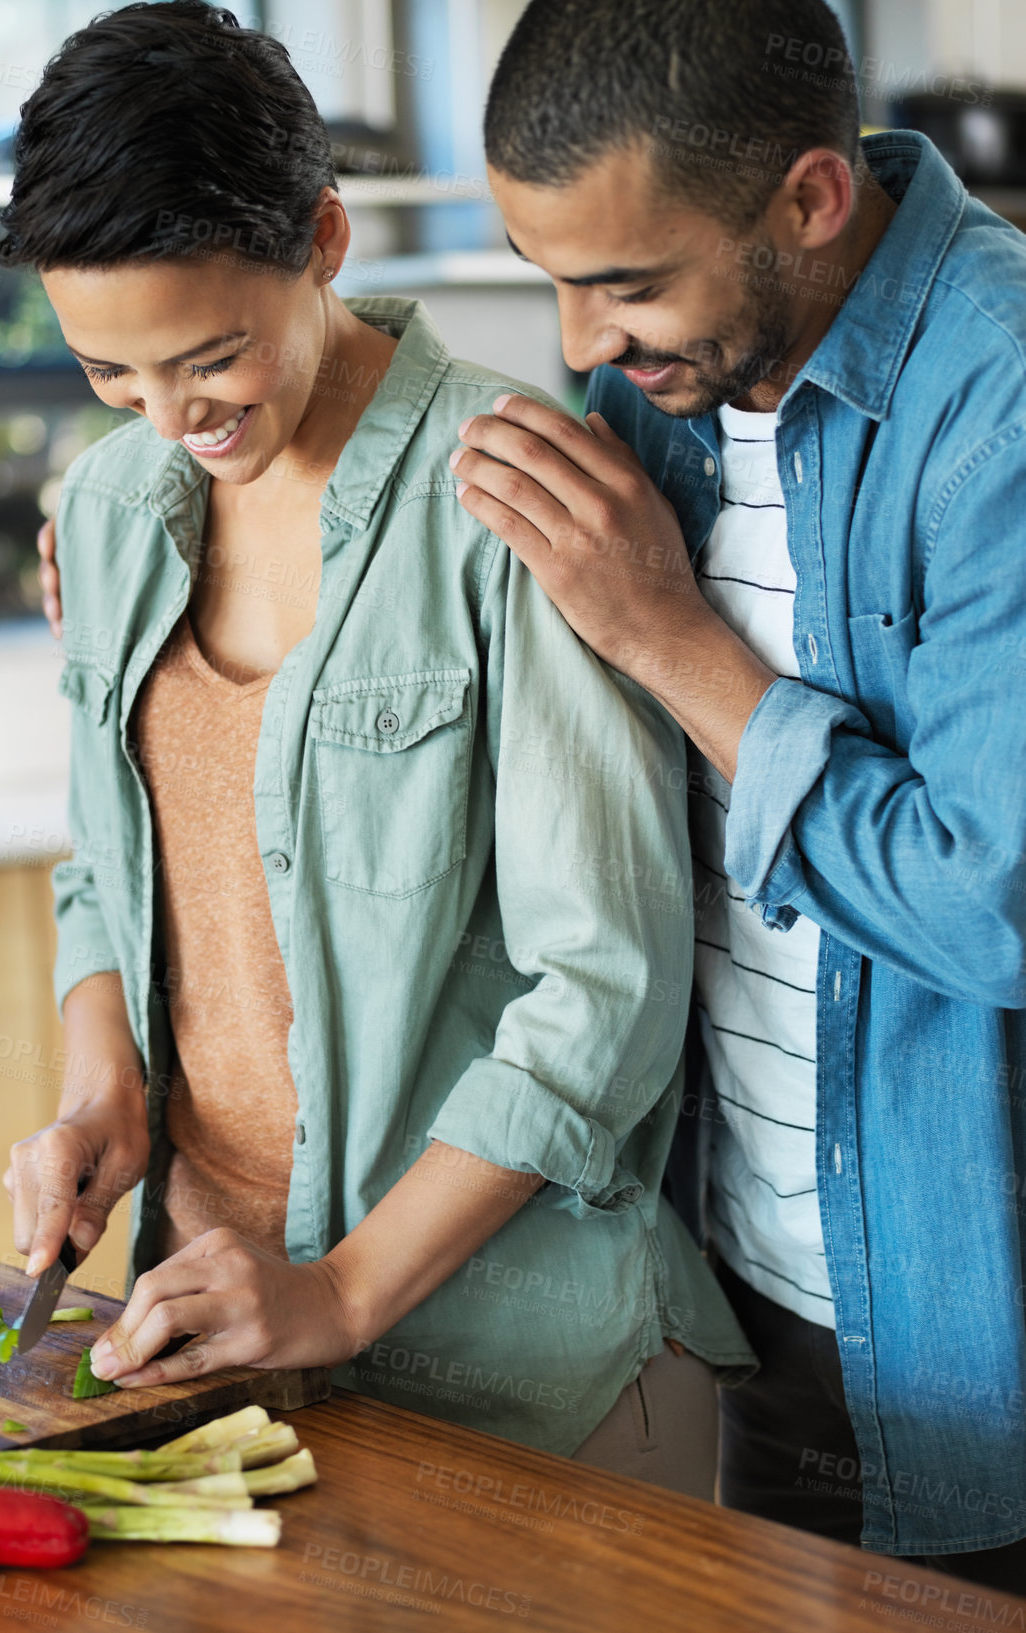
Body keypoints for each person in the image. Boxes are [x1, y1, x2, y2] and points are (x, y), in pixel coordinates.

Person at [2, 0, 753, 1493]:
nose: (167, 418)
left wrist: (342, 1288)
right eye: (111, 376)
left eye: (209, 357)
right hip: (214, 1338)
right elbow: (110, 869)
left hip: (529, 1367)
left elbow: (603, 990)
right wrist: (106, 1094)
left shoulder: (512, 488)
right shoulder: (103, 510)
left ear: (325, 239)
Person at [449, 0, 1026, 1590]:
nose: (580, 345)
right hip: (754, 1291)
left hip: (976, 1326)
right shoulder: (672, 381)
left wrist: (672, 643)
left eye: (624, 284)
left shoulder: (1007, 407)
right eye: (551, 278)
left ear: (812, 200)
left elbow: (995, 903)